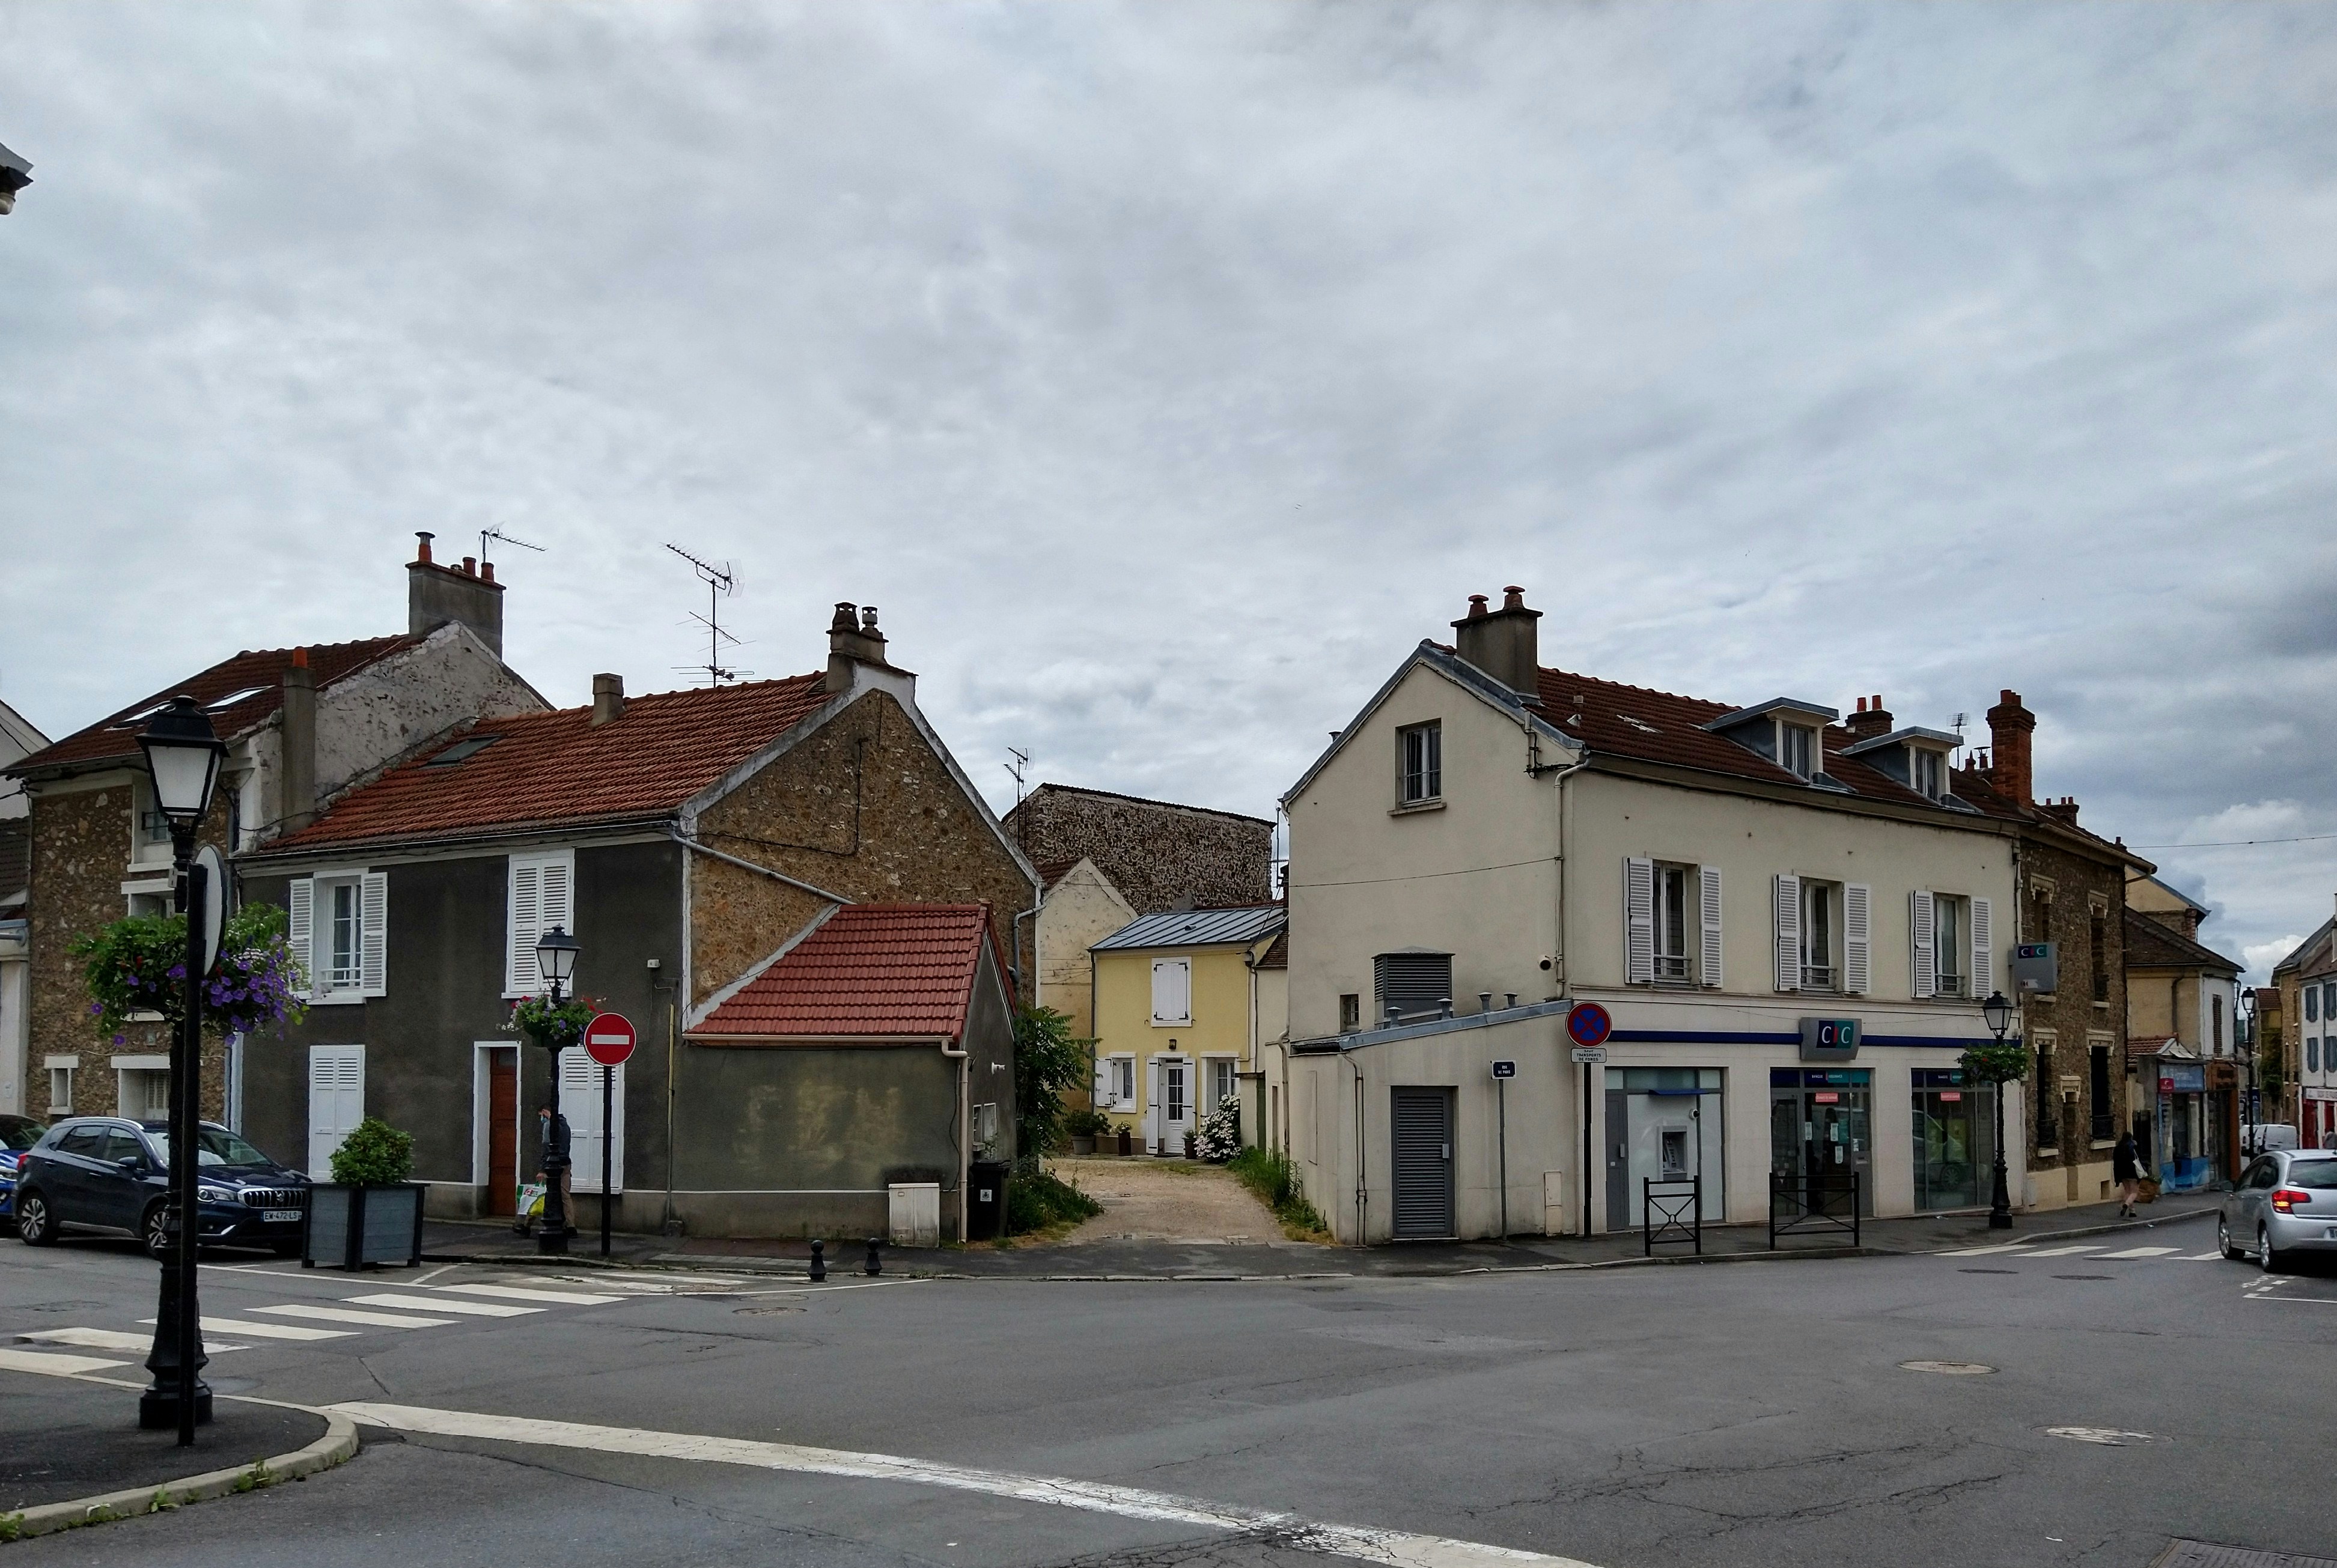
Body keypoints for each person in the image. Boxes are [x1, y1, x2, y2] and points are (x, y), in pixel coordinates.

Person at [538, 1103, 575, 1236]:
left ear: (544, 1112)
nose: (541, 1119)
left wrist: (542, 1169)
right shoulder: (565, 1125)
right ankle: (571, 1226)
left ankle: (526, 1224)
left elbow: (546, 1147)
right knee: (565, 1196)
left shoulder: (549, 1125)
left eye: (541, 1116)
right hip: (566, 1163)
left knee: (543, 1192)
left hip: (553, 1165)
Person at [2112, 1129, 2144, 1217]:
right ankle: (2126, 1204)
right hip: (2132, 1173)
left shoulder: (2118, 1148)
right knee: (2134, 1193)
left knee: (2127, 1192)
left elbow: (2115, 1163)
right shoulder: (2132, 1147)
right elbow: (2136, 1160)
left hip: (2122, 1173)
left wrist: (2117, 1177)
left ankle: (2132, 1211)